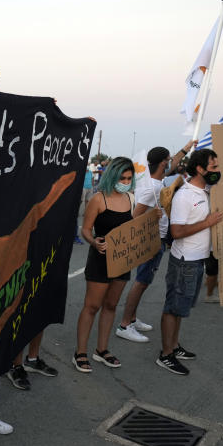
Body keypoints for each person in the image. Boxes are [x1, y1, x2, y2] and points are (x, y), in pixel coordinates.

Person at [156, 149, 223, 375]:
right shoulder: (185, 195)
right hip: (184, 261)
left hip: (197, 260)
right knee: (173, 307)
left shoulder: (207, 191)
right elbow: (176, 231)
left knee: (181, 308)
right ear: (200, 169)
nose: (217, 171)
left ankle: (174, 346)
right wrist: (207, 222)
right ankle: (165, 355)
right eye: (213, 167)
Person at [72, 156, 136, 372]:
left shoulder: (131, 199)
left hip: (122, 262)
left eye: (129, 178)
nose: (126, 181)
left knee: (111, 306)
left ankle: (102, 350)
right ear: (112, 176)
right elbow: (85, 230)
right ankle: (80, 353)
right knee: (92, 306)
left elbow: (133, 228)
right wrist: (94, 242)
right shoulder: (98, 199)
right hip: (100, 260)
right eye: (122, 177)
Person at [117, 146, 171, 343]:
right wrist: (152, 219)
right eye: (169, 159)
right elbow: (135, 216)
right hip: (151, 240)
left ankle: (132, 317)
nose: (171, 163)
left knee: (143, 281)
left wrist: (187, 148)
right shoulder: (153, 187)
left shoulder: (155, 182)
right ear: (163, 162)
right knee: (141, 282)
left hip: (156, 238)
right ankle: (124, 325)